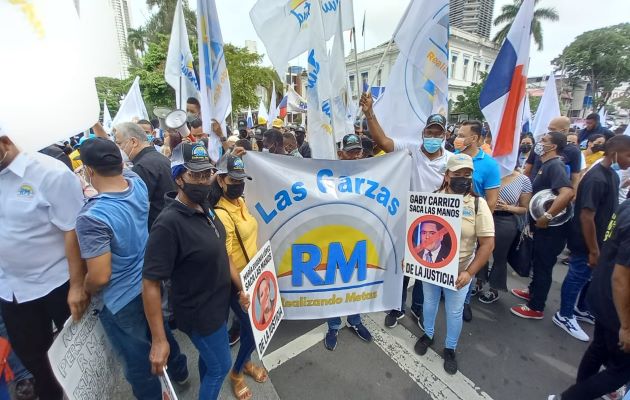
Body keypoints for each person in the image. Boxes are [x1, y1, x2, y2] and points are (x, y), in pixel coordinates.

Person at [74, 138, 188, 399]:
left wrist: (84, 287)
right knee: (160, 332)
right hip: (150, 281)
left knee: (138, 362)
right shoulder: (136, 185)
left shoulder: (93, 217)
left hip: (120, 300)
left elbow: (100, 275)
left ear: (89, 171)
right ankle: (180, 371)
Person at [143, 142, 242, 400]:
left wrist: (242, 287)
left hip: (219, 305)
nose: (202, 180)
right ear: (178, 178)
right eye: (194, 174)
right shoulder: (168, 225)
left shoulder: (204, 205)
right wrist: (159, 339)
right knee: (221, 366)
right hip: (199, 314)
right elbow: (151, 283)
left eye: (206, 173)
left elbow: (222, 251)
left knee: (210, 363)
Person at [0, 133, 84, 400]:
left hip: (57, 283)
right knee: (32, 357)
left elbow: (73, 229)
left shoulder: (50, 173)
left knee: (75, 357)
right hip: (11, 288)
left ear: (4, 141)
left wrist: (78, 285)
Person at [361, 92, 450, 330]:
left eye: (437, 133)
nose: (432, 136)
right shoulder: (410, 149)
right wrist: (370, 113)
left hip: (435, 224)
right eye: (429, 132)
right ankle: (397, 307)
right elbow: (383, 141)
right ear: (423, 134)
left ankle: (419, 308)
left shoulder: (451, 161)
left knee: (425, 268)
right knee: (404, 267)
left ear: (444, 135)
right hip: (408, 220)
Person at [414, 153, 495, 374]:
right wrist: (411, 257)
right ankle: (428, 334)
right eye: (457, 174)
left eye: (467, 174)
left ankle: (450, 348)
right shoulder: (431, 198)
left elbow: (487, 245)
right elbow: (418, 232)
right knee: (429, 303)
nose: (462, 178)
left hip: (460, 272)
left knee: (454, 311)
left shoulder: (478, 204)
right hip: (431, 268)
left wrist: (470, 273)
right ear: (447, 175)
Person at [550, 197, 630, 399]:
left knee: (598, 349)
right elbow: (621, 277)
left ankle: (581, 390)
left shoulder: (626, 205)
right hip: (618, 305)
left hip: (605, 294)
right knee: (621, 371)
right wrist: (627, 327)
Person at [554, 136, 630, 341]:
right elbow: (587, 216)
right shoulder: (596, 178)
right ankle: (565, 314)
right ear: (614, 153)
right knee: (577, 275)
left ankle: (580, 309)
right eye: (628, 155)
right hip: (587, 241)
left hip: (601, 240)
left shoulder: (613, 176)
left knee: (588, 277)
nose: (629, 160)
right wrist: (594, 249)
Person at [211, 153, 268, 400]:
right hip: (238, 283)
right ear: (221, 181)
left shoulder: (240, 202)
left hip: (253, 275)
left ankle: (244, 362)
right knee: (254, 332)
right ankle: (236, 374)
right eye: (233, 180)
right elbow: (226, 260)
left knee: (250, 330)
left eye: (241, 179)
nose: (239, 183)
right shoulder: (221, 214)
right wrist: (242, 289)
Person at [511, 132, 575, 319]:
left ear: (553, 146)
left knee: (543, 266)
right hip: (541, 228)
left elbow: (567, 193)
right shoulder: (546, 165)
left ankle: (536, 306)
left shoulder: (555, 165)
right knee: (538, 263)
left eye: (544, 141)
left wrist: (547, 216)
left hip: (551, 230)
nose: (540, 143)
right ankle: (532, 291)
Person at [324, 133, 373, 351]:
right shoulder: (327, 176)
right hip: (332, 238)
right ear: (340, 153)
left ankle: (355, 320)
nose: (354, 156)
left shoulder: (371, 174)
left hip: (358, 239)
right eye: (350, 151)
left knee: (354, 280)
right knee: (333, 283)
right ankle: (333, 325)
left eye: (357, 151)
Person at [453, 120, 501, 320]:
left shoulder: (489, 165)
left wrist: (478, 226)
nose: (458, 138)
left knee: (469, 263)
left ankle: (464, 303)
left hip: (472, 225)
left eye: (462, 134)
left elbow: (491, 201)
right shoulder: (454, 158)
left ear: (474, 138)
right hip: (450, 223)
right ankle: (448, 291)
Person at [477, 166, 532, 303]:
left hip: (506, 220)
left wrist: (507, 207)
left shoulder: (523, 180)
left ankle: (494, 288)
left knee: (500, 256)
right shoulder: (489, 173)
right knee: (480, 251)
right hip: (484, 217)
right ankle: (478, 282)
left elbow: (524, 209)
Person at [115, 122, 176, 230]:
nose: (119, 149)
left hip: (157, 228)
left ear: (133, 141)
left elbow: (136, 207)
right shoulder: (162, 158)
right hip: (170, 223)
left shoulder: (142, 167)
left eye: (119, 144)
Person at [525, 117, 582, 190]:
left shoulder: (573, 151)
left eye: (552, 129)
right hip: (533, 189)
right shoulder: (539, 146)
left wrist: (573, 194)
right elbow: (527, 170)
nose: (548, 132)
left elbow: (575, 176)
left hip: (553, 193)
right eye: (548, 129)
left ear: (563, 131)